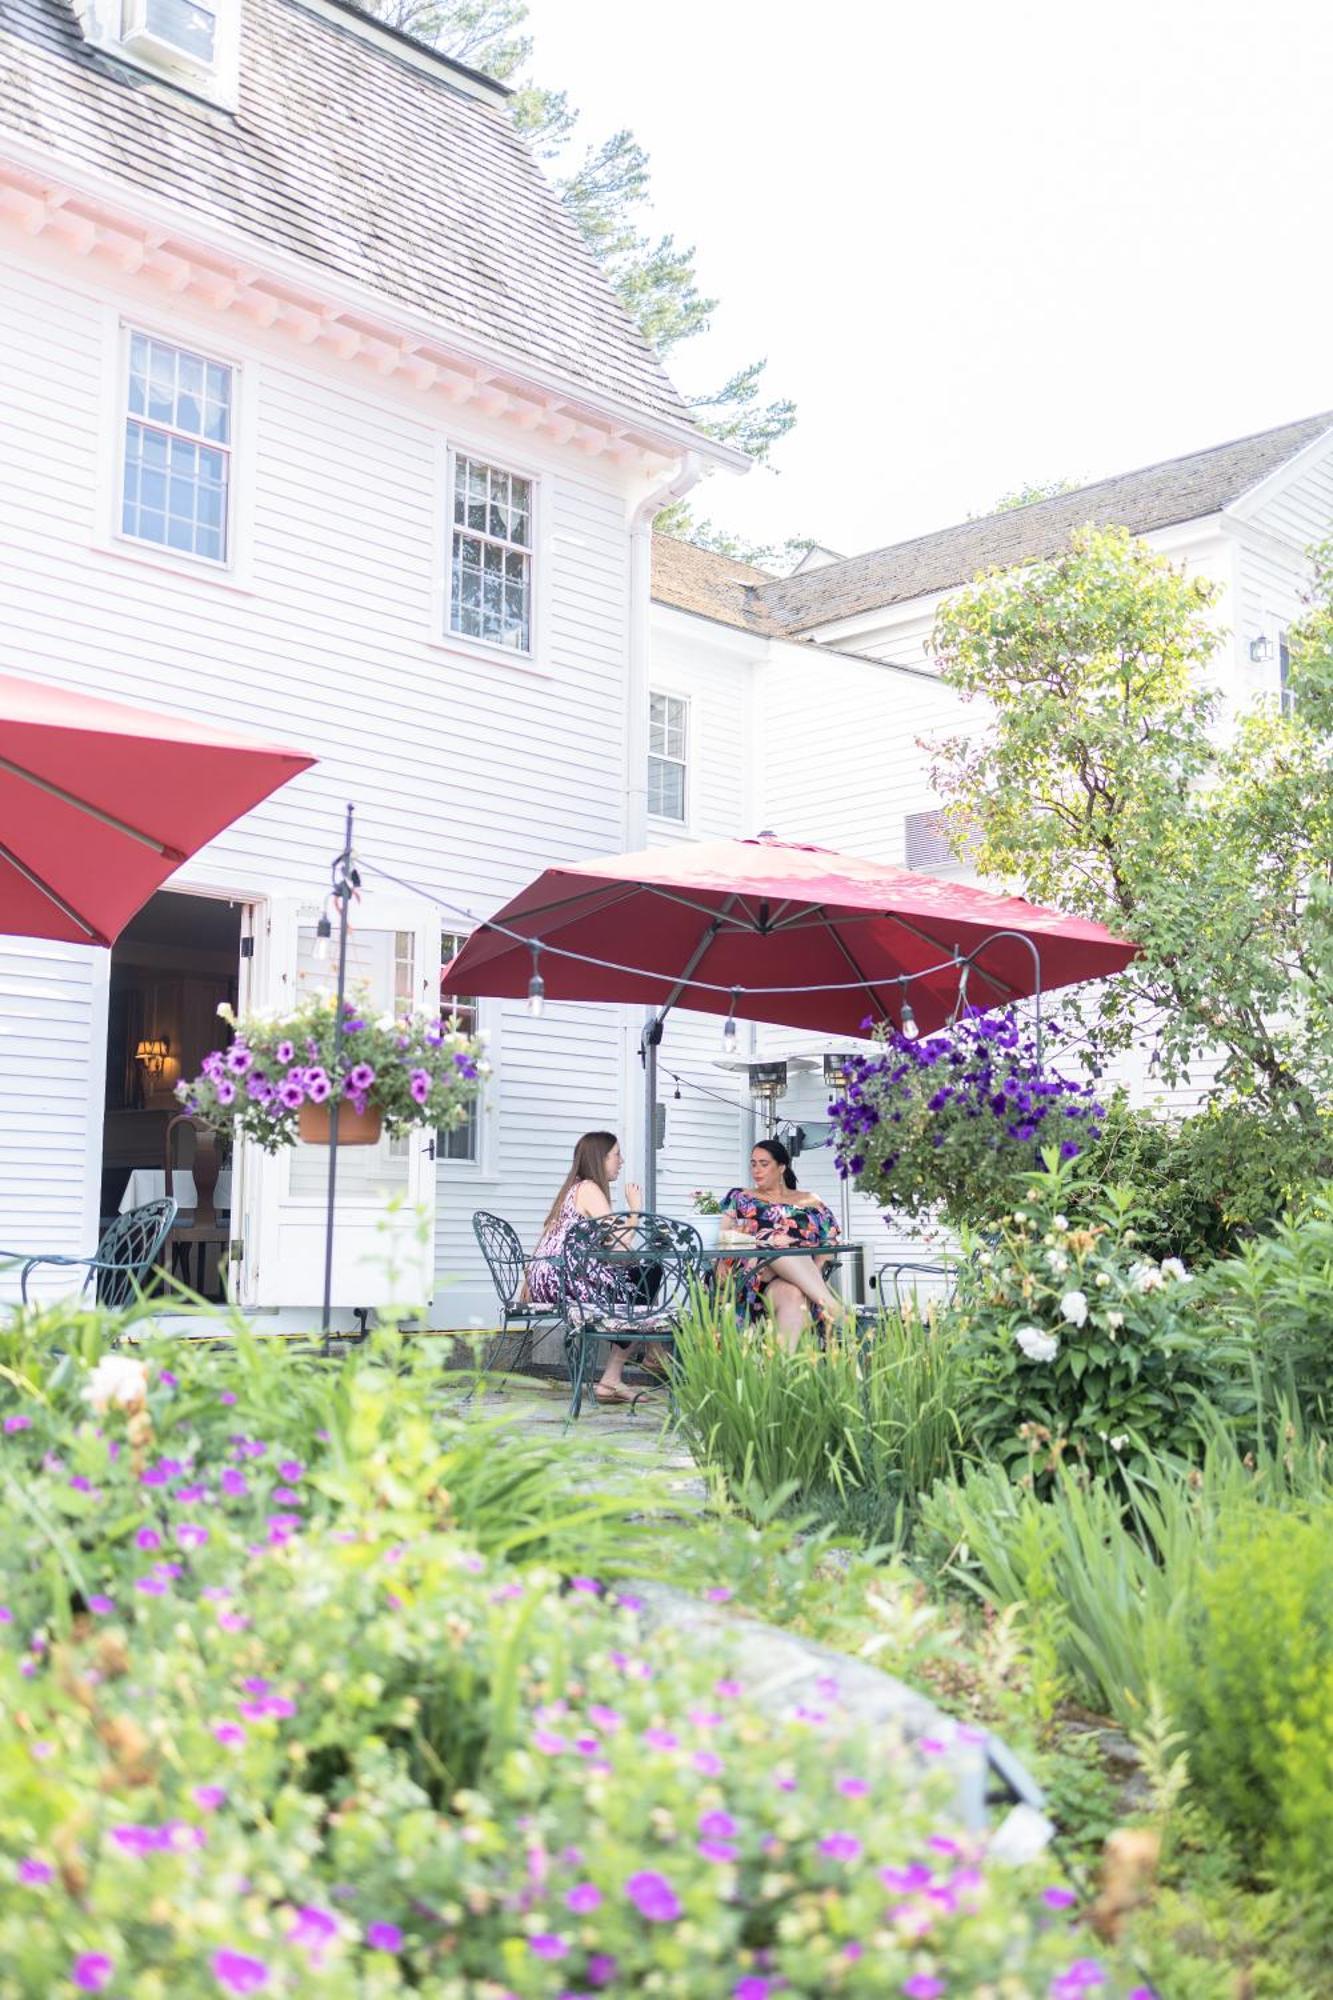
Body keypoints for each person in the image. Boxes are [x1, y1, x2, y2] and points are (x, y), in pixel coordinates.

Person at [528, 1131, 649, 1405]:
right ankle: (614, 1377)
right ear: (601, 1158)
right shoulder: (590, 1189)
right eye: (616, 1155)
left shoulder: (574, 1188)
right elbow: (622, 1241)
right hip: (565, 1280)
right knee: (646, 1277)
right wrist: (635, 1210)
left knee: (636, 1278)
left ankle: (646, 1356)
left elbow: (609, 1246)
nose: (621, 1160)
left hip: (550, 1278)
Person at [720, 1139, 845, 1351]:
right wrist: (720, 1263)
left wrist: (807, 1278)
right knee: (776, 1240)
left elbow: (829, 1245)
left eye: (764, 1164)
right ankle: (833, 1307)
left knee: (794, 1295)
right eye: (753, 1164)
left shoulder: (811, 1201)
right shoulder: (741, 1197)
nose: (756, 1170)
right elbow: (724, 1236)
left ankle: (778, 1372)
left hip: (798, 1280)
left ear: (781, 1167)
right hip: (751, 1275)